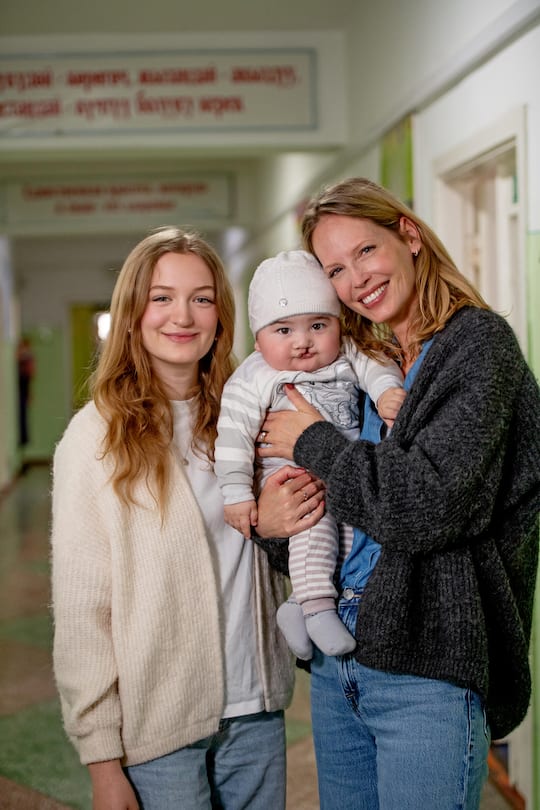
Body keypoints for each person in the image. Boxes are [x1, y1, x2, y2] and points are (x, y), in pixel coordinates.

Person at [256, 177, 540, 810]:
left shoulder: (477, 347)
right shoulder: (358, 357)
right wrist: (274, 526)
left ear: (408, 236)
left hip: (427, 662)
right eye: (335, 268)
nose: (356, 278)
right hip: (339, 664)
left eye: (365, 251)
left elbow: (428, 505)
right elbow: (335, 508)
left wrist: (314, 441)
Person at [50, 227, 326, 810]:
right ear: (132, 314)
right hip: (161, 730)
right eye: (161, 297)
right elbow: (82, 614)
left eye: (201, 298)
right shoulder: (94, 439)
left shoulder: (252, 413)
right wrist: (102, 762)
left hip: (256, 712)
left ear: (221, 316)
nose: (183, 315)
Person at [215, 249, 405, 659]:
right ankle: (318, 608)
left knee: (356, 536)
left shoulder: (346, 354)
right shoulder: (254, 376)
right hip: (291, 478)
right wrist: (237, 495)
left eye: (318, 325)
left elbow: (374, 365)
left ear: (337, 324)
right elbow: (232, 437)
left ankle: (299, 606)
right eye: (283, 331)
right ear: (258, 337)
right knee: (313, 527)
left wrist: (387, 390)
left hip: (342, 470)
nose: (302, 342)